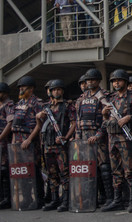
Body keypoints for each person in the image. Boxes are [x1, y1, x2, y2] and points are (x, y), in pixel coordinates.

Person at [99, 69, 132, 213]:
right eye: (114, 81)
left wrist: (130, 117)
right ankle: (118, 200)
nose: (116, 82)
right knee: (115, 171)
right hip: (113, 139)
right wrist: (105, 115)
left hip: (127, 139)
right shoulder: (111, 99)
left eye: (119, 80)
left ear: (125, 81)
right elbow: (107, 121)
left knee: (130, 170)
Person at [37, 80, 77, 212]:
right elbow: (40, 126)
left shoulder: (67, 106)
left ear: (62, 91)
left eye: (59, 90)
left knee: (64, 174)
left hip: (61, 146)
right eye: (54, 90)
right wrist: (39, 117)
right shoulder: (46, 107)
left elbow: (74, 123)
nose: (56, 92)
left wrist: (66, 137)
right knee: (51, 174)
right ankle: (55, 199)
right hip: (48, 145)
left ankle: (66, 200)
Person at [75, 69, 113, 207]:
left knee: (104, 167)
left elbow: (108, 117)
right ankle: (95, 197)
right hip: (84, 137)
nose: (89, 82)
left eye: (92, 79)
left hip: (99, 136)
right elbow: (78, 119)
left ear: (98, 81)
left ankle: (109, 197)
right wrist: (78, 138)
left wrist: (98, 135)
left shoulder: (104, 96)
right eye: (87, 80)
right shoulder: (81, 98)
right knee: (89, 168)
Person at [11, 76, 46, 208]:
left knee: (34, 170)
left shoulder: (37, 102)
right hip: (17, 142)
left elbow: (39, 124)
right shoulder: (18, 104)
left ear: (31, 88)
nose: (21, 89)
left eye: (23, 87)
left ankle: (38, 199)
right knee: (21, 171)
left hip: (30, 141)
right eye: (20, 87)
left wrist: (29, 139)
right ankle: (26, 198)